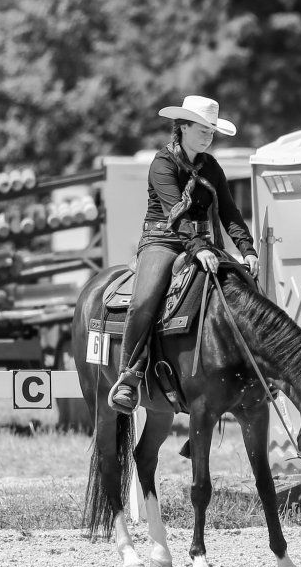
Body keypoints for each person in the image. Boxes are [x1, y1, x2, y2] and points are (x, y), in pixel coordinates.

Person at [108, 95, 259, 412]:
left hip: (201, 244)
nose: (209, 135)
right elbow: (175, 211)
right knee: (145, 297)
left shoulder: (211, 167)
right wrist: (199, 247)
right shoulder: (162, 164)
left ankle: (249, 374)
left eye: (212, 130)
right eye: (203, 129)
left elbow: (229, 213)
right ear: (183, 127)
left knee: (247, 289)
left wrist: (247, 250)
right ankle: (130, 376)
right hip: (162, 240)